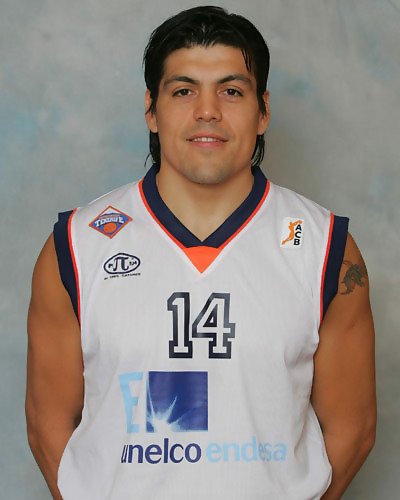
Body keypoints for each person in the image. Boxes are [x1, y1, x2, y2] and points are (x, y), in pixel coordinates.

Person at [26, 6, 376, 499]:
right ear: (151, 110)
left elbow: (352, 428)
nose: (207, 110)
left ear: (263, 111)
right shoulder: (76, 246)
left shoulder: (326, 251)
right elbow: (47, 424)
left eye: (231, 91)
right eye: (183, 91)